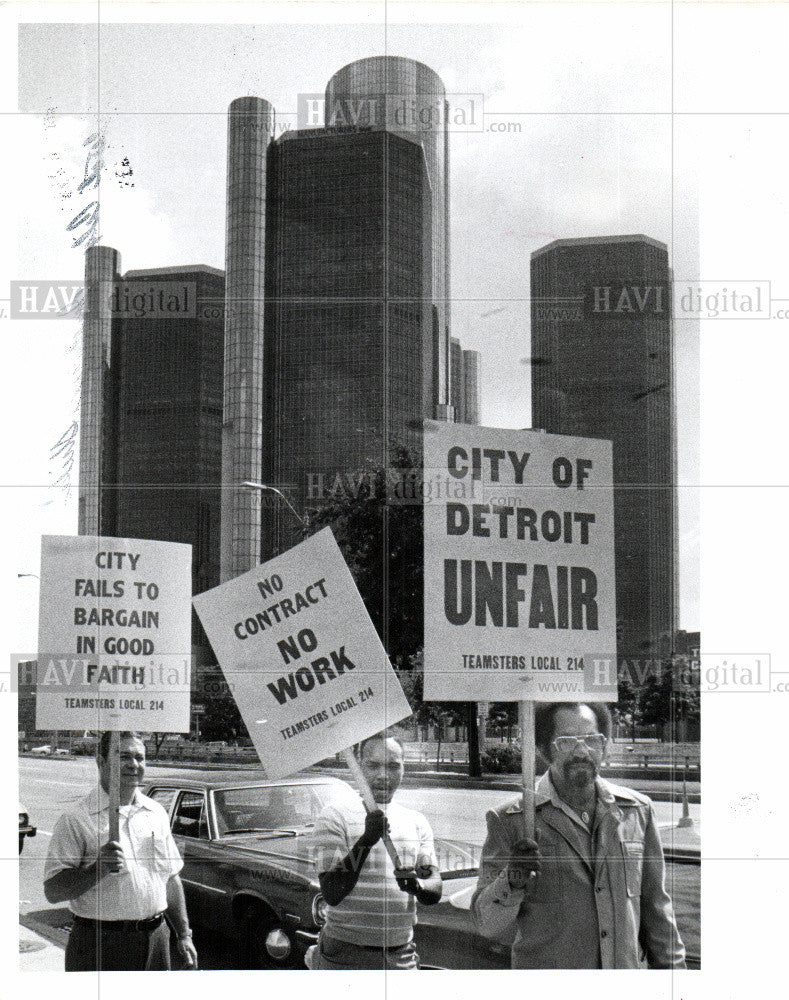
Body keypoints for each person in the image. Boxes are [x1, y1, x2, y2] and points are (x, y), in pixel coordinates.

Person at [471, 702, 686, 969]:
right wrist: (512, 881)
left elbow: (657, 908)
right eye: (567, 741)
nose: (582, 751)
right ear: (543, 748)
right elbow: (487, 924)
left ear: (605, 746)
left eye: (592, 740)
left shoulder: (637, 811)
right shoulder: (511, 821)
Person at [43, 731, 198, 972]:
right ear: (101, 761)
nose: (134, 764)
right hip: (101, 942)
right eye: (123, 756)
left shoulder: (155, 812)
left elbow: (171, 878)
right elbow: (53, 891)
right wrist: (98, 869)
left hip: (156, 938)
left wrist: (183, 934)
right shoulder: (76, 818)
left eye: (140, 757)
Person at [308, 732, 442, 969]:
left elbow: (434, 885)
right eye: (373, 766)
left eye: (393, 766)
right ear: (359, 768)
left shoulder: (416, 821)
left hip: (401, 955)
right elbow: (331, 892)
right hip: (346, 954)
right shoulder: (334, 816)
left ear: (403, 769)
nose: (383, 775)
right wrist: (366, 840)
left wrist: (418, 886)